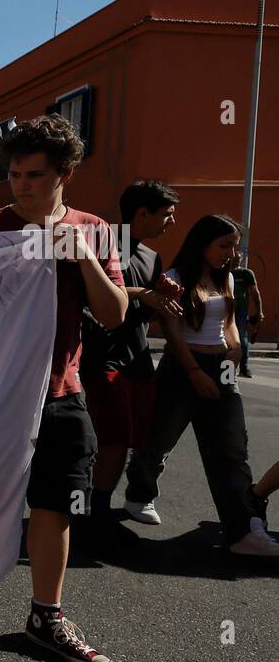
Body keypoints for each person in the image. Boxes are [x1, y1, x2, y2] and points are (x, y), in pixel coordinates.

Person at [0, 114, 128, 662]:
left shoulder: (93, 228)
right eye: (14, 174)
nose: (21, 185)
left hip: (61, 391)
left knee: (53, 505)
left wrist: (83, 256)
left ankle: (46, 614)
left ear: (65, 173)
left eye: (35, 175)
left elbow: (114, 314)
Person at [123, 214, 279, 556]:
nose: (232, 253)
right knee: (159, 439)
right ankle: (140, 493)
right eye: (224, 246)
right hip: (182, 368)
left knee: (231, 451)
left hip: (221, 367)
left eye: (235, 246)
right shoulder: (174, 279)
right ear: (202, 245)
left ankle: (242, 531)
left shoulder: (228, 280)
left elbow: (229, 323)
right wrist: (194, 372)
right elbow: (172, 331)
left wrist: (235, 352)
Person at [80, 180, 182, 546]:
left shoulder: (152, 257)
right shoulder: (105, 244)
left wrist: (165, 296)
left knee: (129, 440)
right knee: (112, 442)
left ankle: (99, 510)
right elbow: (90, 301)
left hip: (139, 361)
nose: (171, 223)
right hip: (104, 359)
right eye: (166, 215)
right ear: (142, 213)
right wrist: (144, 294)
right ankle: (94, 516)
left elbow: (147, 308)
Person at [227, 256, 261, 377]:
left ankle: (244, 368)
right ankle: (228, 371)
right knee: (226, 340)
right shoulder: (224, 272)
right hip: (226, 311)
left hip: (240, 312)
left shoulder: (246, 273)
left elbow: (255, 293)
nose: (235, 261)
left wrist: (259, 312)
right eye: (233, 259)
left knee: (241, 340)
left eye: (237, 259)